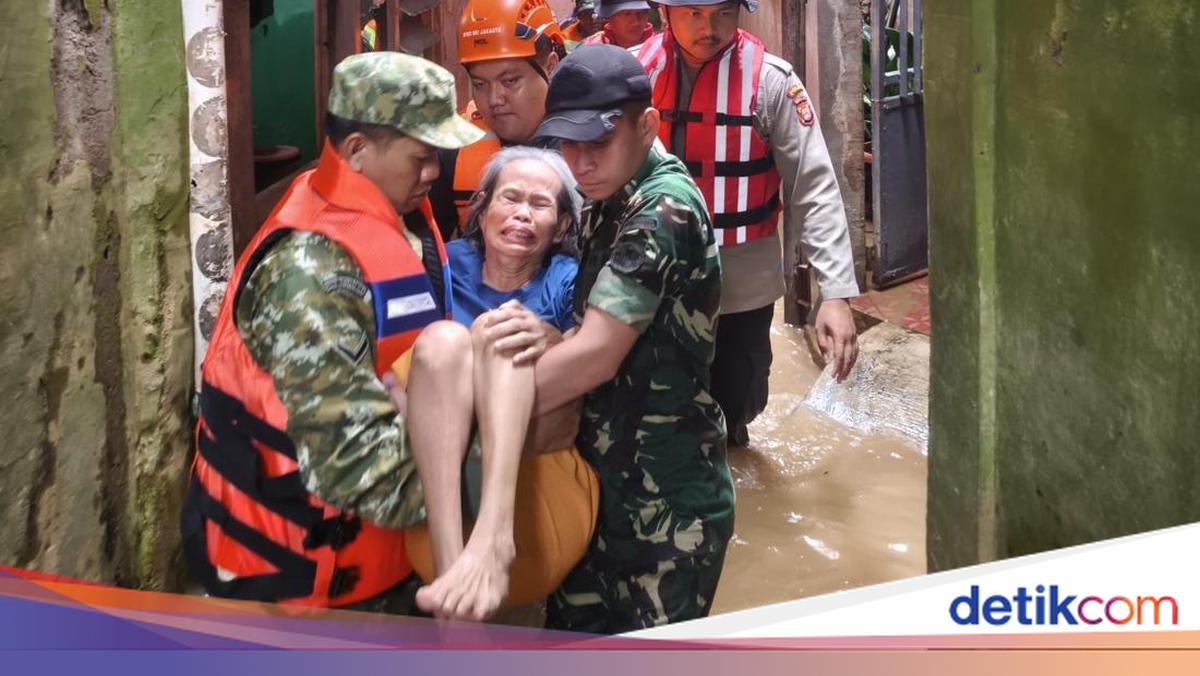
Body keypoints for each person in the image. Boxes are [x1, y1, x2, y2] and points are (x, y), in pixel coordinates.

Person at [179, 52, 486, 611]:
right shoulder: (309, 273)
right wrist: (503, 464)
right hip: (299, 586)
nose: (434, 174)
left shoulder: (389, 217)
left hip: (375, 563)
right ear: (357, 152)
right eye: (421, 157)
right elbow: (357, 467)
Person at [528, 44, 731, 633]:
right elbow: (589, 330)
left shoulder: (663, 209)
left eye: (597, 143)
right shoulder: (607, 199)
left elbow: (595, 356)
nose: (579, 162)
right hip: (605, 491)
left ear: (647, 125)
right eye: (568, 145)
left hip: (668, 510)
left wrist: (474, 404)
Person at [638, 0, 861, 448]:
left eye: (723, 13)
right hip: (648, 274)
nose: (709, 28)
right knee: (650, 403)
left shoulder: (771, 83)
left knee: (736, 402)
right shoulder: (632, 75)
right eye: (694, 14)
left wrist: (834, 292)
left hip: (741, 281)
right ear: (664, 11)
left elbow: (813, 186)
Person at [398, 147, 601, 621]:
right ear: (482, 209)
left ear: (563, 227)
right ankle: (454, 575)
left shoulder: (569, 280)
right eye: (510, 198)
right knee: (447, 341)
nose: (522, 215)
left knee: (504, 332)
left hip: (535, 497)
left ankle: (495, 536)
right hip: (439, 497)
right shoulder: (443, 266)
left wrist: (556, 338)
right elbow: (397, 365)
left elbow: (591, 353)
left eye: (541, 204)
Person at [427, 0, 566, 240]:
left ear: (550, 67)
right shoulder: (452, 150)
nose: (494, 99)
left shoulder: (588, 149)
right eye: (480, 84)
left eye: (510, 81)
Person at [582, 1, 654, 48]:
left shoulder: (661, 47)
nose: (636, 22)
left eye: (642, 12)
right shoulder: (590, 49)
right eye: (627, 14)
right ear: (609, 16)